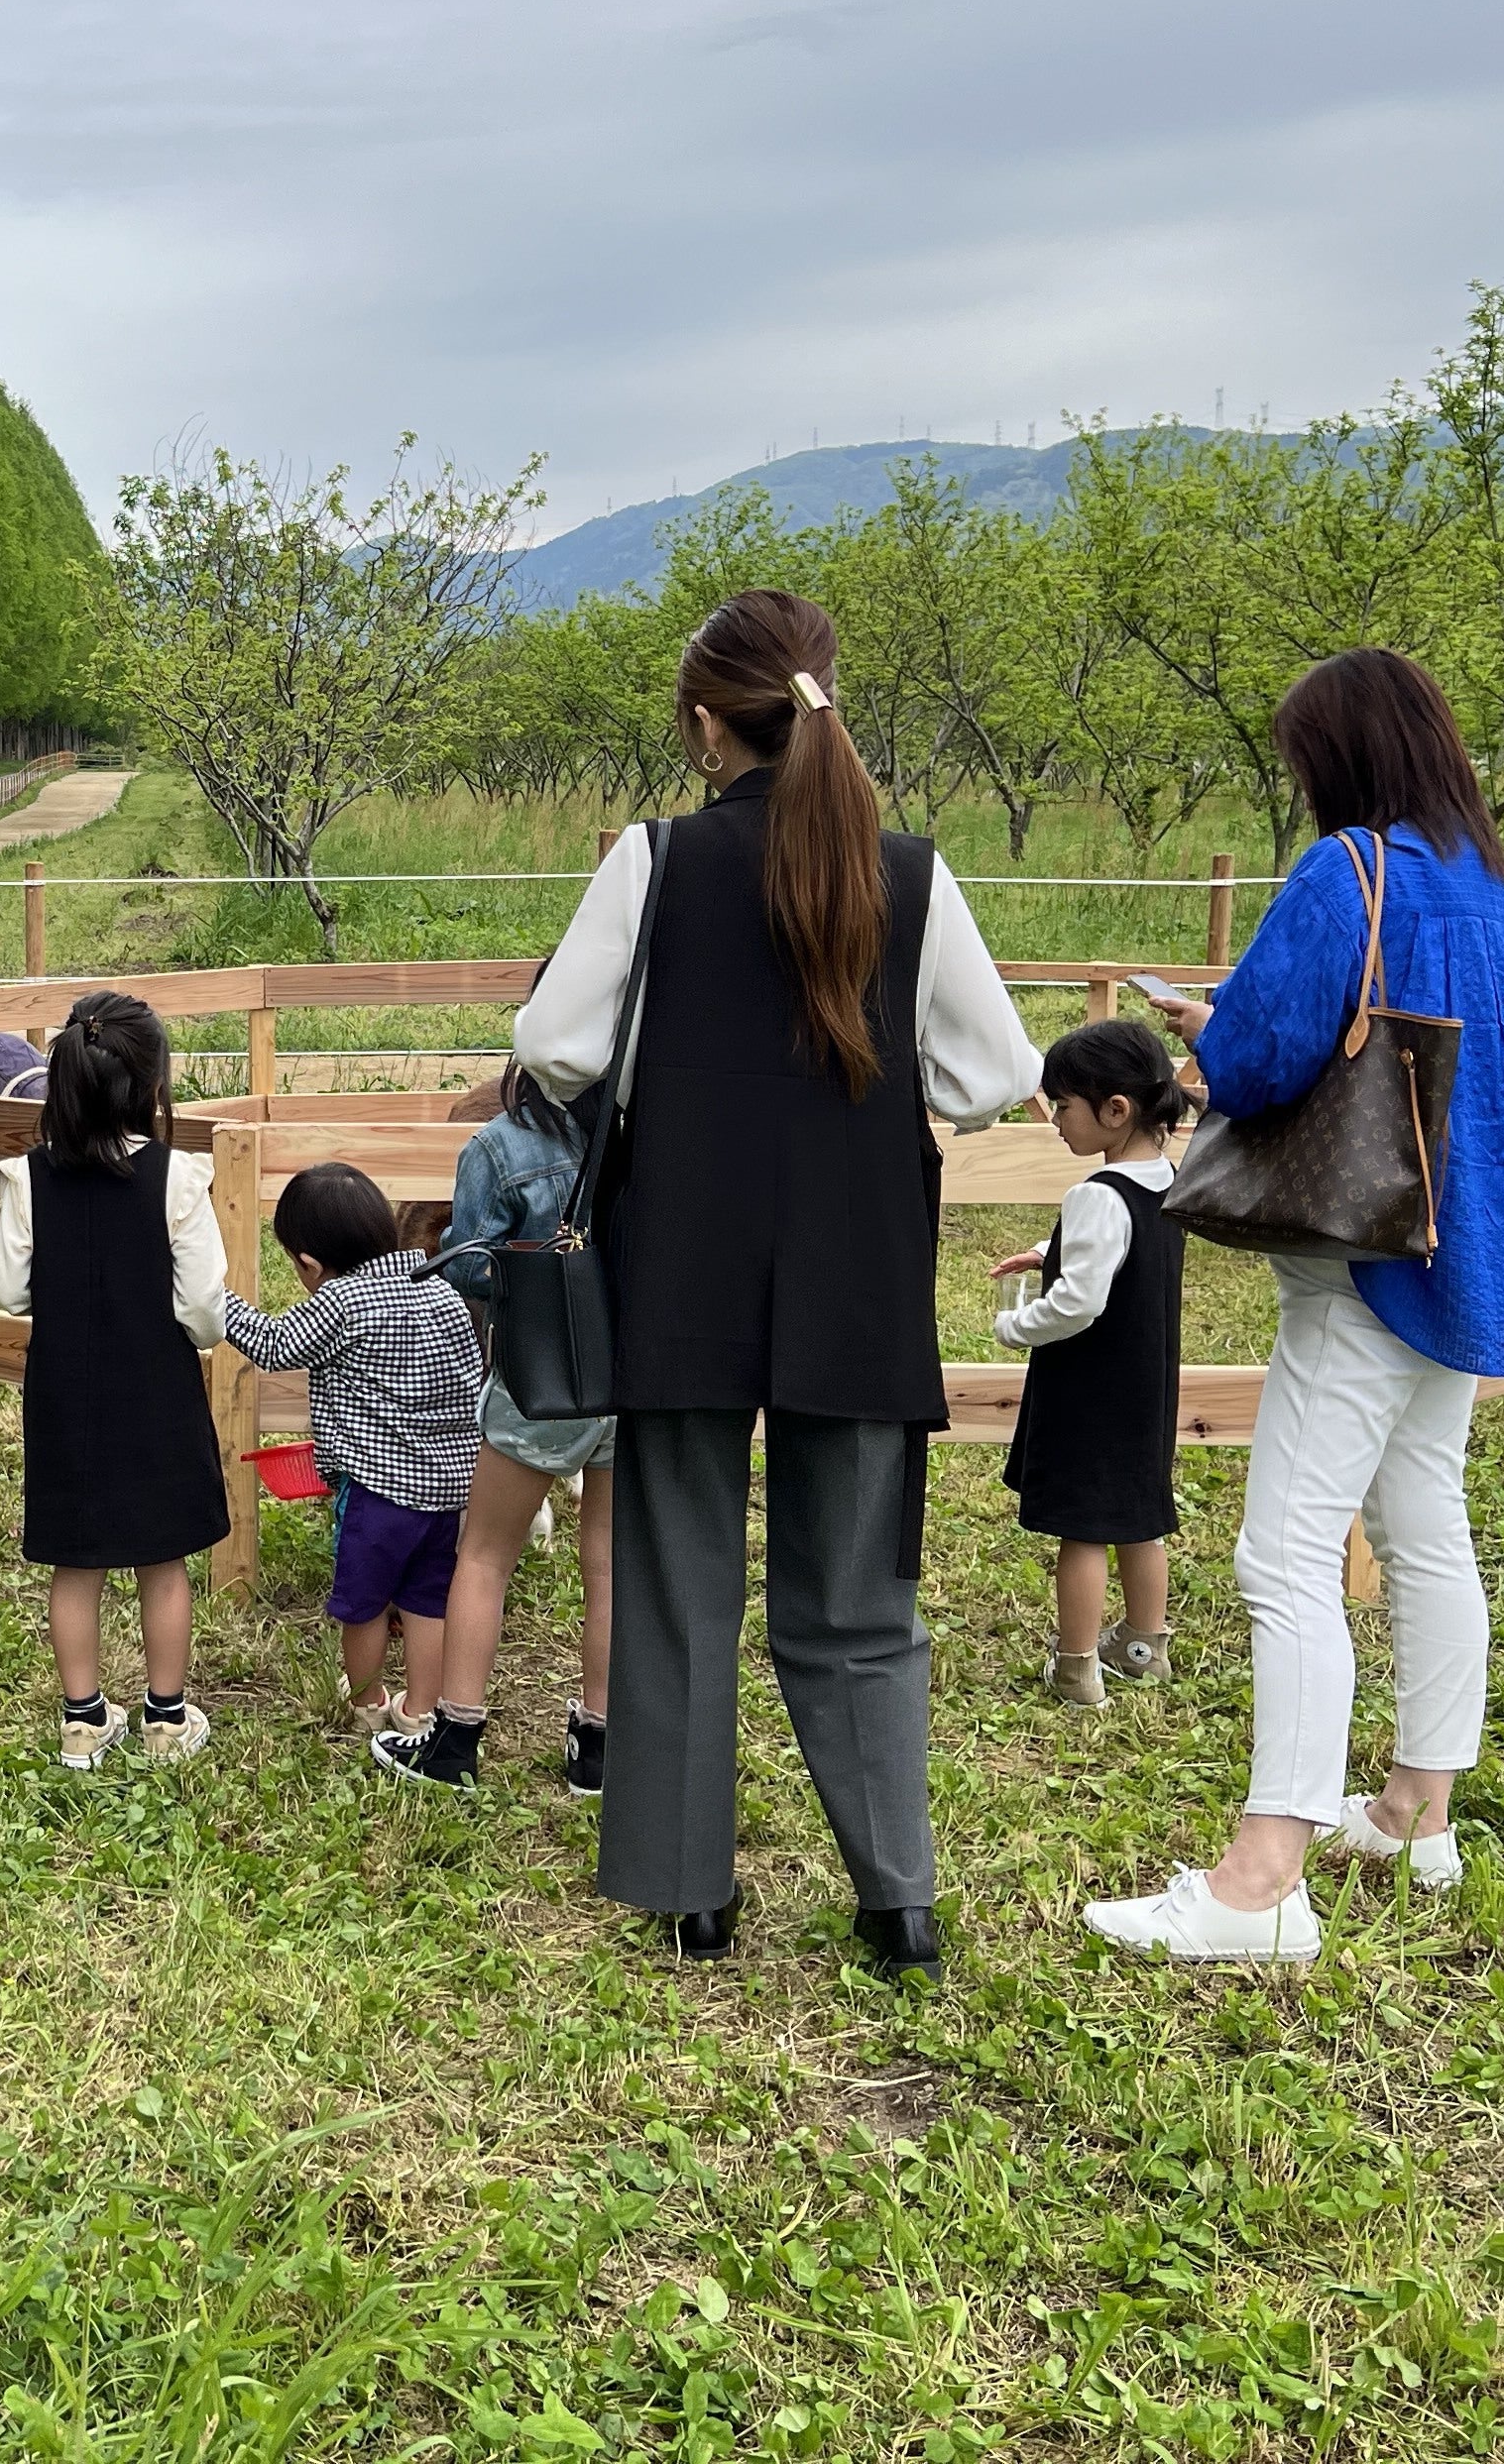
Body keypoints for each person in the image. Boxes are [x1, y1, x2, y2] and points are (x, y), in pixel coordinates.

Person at [516, 589, 1040, 1976]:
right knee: (860, 1598)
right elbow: (995, 1075)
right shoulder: (908, 874)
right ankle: (897, 1903)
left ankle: (693, 1893)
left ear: (706, 725)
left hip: (680, 1268)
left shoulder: (655, 861)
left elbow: (554, 1044)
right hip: (859, 1272)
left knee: (680, 1584)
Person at [1089, 649, 1504, 1963]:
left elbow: (1256, 1061)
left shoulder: (1344, 871)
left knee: (1285, 1555)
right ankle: (1416, 1814)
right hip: (1468, 1247)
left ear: (1342, 758)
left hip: (1362, 1261)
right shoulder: (1502, 889)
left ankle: (1260, 1882)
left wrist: (1210, 1023)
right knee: (1426, 1521)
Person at [0, 990, 231, 1769]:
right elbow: (203, 1311)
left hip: (65, 1395)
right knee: (164, 1560)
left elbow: (7, 1291)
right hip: (157, 1392)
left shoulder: (28, 1178)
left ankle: (83, 1722)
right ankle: (167, 1720)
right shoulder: (178, 1179)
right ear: (154, 1086)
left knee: (76, 1560)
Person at [386, 1062, 619, 1793]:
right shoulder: (649, 1129)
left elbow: (468, 1263)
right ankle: (599, 1748)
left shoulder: (503, 1144)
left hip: (542, 1373)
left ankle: (454, 1740)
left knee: (484, 1556)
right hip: (632, 1377)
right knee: (610, 1564)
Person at [215, 1163, 485, 1743]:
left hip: (376, 1494)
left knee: (364, 1603)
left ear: (309, 1264)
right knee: (428, 1602)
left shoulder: (342, 1299)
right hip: (448, 1494)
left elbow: (275, 1345)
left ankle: (368, 1701)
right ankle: (420, 1709)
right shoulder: (440, 1287)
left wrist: (215, 1300)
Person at [988, 1018, 1193, 1710]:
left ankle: (1076, 1668)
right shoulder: (1165, 1179)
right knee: (1140, 1517)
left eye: (1063, 1105)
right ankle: (1144, 1647)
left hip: (1092, 1392)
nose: (1055, 1121)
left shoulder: (1096, 1194)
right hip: (1146, 1387)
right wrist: (1051, 1252)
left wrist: (1016, 1327)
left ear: (1115, 1110)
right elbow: (1125, 1253)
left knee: (1083, 1530)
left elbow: (1079, 1304)